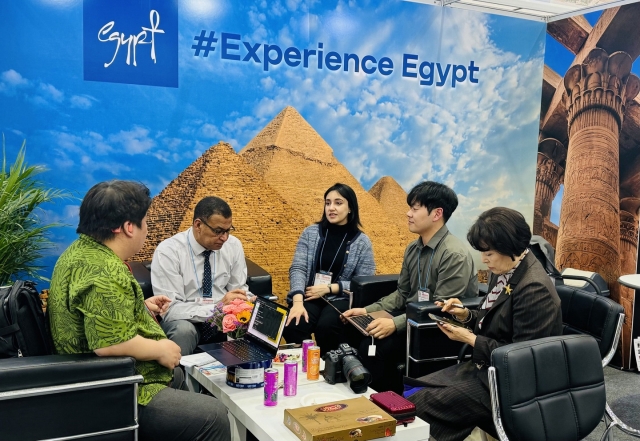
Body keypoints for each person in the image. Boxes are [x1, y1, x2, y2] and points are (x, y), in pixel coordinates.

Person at [48, 180, 230, 441]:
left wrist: (139, 306)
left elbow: (96, 311)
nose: (148, 228)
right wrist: (161, 348)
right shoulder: (104, 272)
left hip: (113, 375)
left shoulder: (82, 253)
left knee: (178, 376)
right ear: (128, 227)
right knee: (212, 415)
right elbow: (109, 344)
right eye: (145, 221)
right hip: (118, 387)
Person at [405, 207, 563, 441]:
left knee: (418, 405)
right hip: (487, 369)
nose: (483, 259)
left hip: (511, 386)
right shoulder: (507, 269)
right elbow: (491, 318)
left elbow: (521, 360)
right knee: (411, 389)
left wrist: (468, 338)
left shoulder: (534, 289)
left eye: (488, 252)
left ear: (509, 245)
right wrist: (464, 315)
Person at [342, 181, 478, 393]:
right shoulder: (413, 248)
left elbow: (441, 310)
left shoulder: (453, 254)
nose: (408, 214)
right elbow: (403, 293)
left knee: (377, 346)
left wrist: (394, 324)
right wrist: (367, 310)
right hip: (413, 317)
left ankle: (386, 407)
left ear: (436, 214)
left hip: (436, 329)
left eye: (415, 209)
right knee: (354, 327)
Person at [283, 183, 375, 354]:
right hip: (311, 295)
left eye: (338, 203)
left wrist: (330, 288)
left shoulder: (362, 242)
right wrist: (297, 302)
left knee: (327, 328)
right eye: (328, 203)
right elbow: (298, 267)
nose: (331, 208)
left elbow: (363, 283)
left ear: (350, 208)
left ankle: (331, 369)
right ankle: (307, 365)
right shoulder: (310, 233)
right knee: (293, 323)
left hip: (340, 298)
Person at [151, 196, 249, 355]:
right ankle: (178, 379)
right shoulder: (169, 251)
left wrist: (247, 301)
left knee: (249, 321)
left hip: (224, 317)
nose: (224, 237)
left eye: (228, 230)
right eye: (218, 231)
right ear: (198, 225)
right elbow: (170, 310)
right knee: (182, 330)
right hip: (188, 320)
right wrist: (216, 309)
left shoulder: (233, 245)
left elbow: (238, 289)